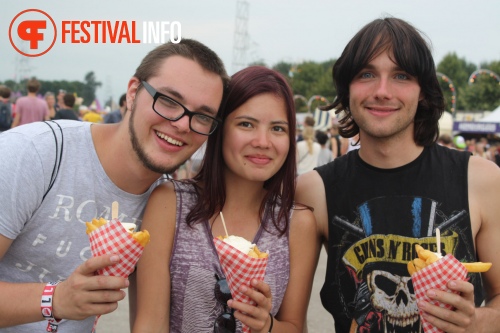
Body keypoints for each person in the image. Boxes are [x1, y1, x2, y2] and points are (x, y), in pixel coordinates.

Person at [0, 38, 228, 332]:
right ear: (133, 93)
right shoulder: (34, 154)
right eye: (169, 101)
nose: (183, 124)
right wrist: (56, 298)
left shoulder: (164, 202)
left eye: (202, 116)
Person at [296, 17, 500, 333]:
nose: (382, 91)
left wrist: (478, 321)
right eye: (366, 74)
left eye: (401, 76)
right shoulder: (313, 191)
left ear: (422, 92)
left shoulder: (482, 180)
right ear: (347, 88)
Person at [132, 66, 318, 333]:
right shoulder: (170, 203)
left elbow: (295, 327)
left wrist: (266, 325)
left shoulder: (296, 222)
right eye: (246, 124)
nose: (263, 141)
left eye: (278, 128)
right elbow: (150, 324)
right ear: (219, 129)